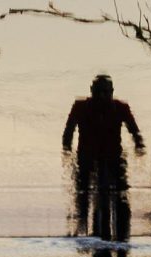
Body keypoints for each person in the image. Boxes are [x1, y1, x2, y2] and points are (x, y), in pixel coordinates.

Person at [62, 75, 144, 238]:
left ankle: (122, 236)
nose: (102, 96)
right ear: (91, 91)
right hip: (87, 155)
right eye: (99, 92)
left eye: (106, 92)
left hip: (113, 154)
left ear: (112, 92)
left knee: (122, 194)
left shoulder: (121, 107)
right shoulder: (80, 107)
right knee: (82, 192)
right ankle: (82, 223)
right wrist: (66, 148)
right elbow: (68, 130)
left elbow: (134, 130)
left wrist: (139, 144)